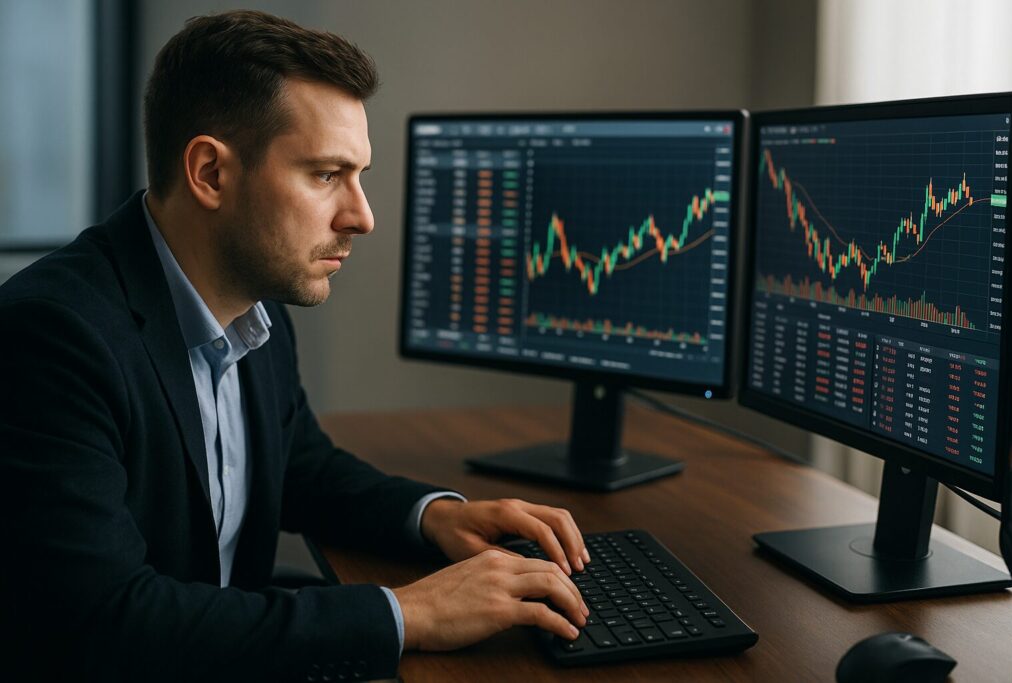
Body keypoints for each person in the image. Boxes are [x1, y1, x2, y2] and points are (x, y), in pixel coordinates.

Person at [0, 10, 590, 683]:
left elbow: (297, 463)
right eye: (325, 175)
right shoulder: (54, 337)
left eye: (358, 175)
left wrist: (436, 516)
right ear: (210, 173)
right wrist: (408, 613)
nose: (361, 216)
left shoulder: (248, 299)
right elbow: (106, 622)